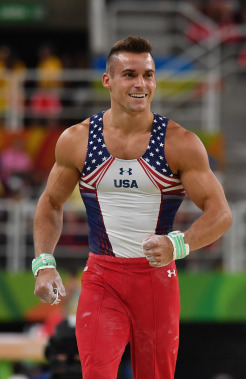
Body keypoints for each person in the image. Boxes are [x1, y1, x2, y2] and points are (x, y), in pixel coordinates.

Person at [33, 36, 232, 379]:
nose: (141, 84)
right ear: (108, 80)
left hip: (156, 283)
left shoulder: (180, 144)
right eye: (130, 74)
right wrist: (44, 263)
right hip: (101, 279)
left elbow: (221, 214)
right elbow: (51, 202)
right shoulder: (78, 140)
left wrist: (177, 244)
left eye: (148, 75)